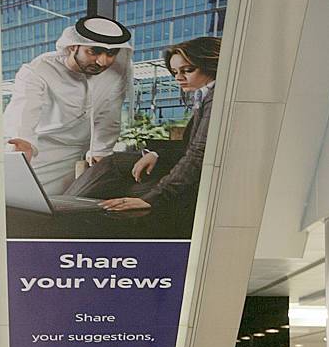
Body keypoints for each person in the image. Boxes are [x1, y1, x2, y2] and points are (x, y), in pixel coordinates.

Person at [65, 36, 220, 235]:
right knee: (114, 165)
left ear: (210, 65)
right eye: (174, 72)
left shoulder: (217, 98)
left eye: (188, 70)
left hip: (199, 185)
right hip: (192, 176)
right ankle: (66, 209)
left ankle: (64, 212)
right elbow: (190, 146)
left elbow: (198, 155)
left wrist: (150, 199)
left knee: (116, 183)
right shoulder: (206, 95)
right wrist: (156, 154)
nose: (178, 78)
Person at [3, 16, 133, 196]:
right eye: (94, 52)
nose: (103, 61)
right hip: (42, 151)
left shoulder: (117, 71)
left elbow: (110, 115)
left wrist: (101, 152)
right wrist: (22, 150)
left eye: (111, 54)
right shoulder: (38, 70)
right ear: (73, 46)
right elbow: (23, 114)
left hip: (83, 155)